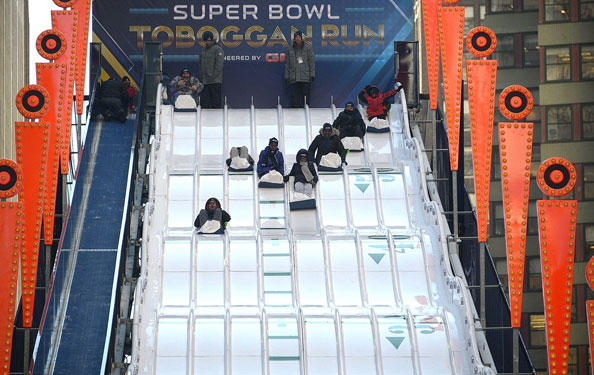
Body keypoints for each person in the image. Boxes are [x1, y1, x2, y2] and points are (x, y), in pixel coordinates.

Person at [285, 30, 315, 108]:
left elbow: (311, 62)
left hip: (305, 77)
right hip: (293, 78)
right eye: (296, 37)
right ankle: (296, 114)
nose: (297, 39)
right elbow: (287, 64)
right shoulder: (289, 50)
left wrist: (312, 75)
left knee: (305, 97)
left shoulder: (308, 48)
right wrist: (287, 76)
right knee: (295, 97)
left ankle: (306, 112)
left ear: (302, 38)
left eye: (299, 37)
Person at [199, 31, 224, 109]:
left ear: (213, 40)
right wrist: (201, 76)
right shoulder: (203, 50)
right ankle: (205, 118)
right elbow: (201, 64)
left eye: (209, 40)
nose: (208, 42)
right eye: (206, 40)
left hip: (215, 80)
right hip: (204, 80)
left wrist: (213, 76)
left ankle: (216, 118)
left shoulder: (218, 49)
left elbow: (219, 65)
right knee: (205, 101)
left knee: (215, 101)